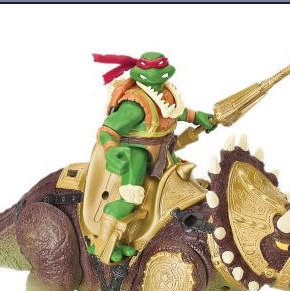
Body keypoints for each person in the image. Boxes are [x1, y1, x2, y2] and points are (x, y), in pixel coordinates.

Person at [92, 52, 216, 262]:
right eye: (153, 71)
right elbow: (108, 130)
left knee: (180, 181)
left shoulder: (165, 93)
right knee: (129, 200)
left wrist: (198, 117)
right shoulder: (134, 104)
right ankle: (102, 245)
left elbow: (174, 112)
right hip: (137, 154)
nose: (158, 75)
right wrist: (111, 149)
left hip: (164, 151)